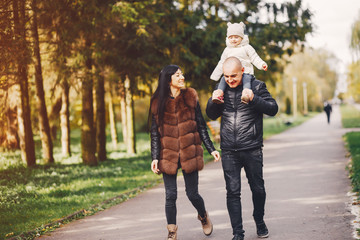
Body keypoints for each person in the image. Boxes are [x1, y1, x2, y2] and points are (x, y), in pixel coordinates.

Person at [206, 57, 278, 240]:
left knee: (258, 188)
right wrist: (213, 101)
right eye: (227, 76)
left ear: (243, 72)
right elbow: (212, 115)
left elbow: (273, 108)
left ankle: (259, 221)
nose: (230, 80)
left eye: (234, 76)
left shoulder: (257, 86)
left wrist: (254, 99)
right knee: (232, 192)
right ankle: (238, 233)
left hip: (252, 147)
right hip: (229, 149)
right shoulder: (221, 89)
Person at [149, 65, 221, 240]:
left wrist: (211, 149)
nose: (182, 77)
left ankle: (203, 215)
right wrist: (155, 158)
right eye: (178, 75)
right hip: (168, 154)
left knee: (192, 194)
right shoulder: (158, 102)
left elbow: (201, 125)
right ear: (168, 80)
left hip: (190, 153)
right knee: (170, 195)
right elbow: (155, 132)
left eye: (182, 74)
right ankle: (172, 232)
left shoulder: (190, 97)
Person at [210, 22, 268, 104]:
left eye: (236, 37)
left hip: (246, 71)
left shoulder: (247, 48)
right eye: (231, 37)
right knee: (223, 79)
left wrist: (262, 65)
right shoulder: (227, 50)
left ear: (242, 37)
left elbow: (254, 57)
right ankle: (219, 94)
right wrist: (215, 75)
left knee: (246, 79)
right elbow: (222, 62)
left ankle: (246, 95)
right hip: (230, 73)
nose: (233, 39)